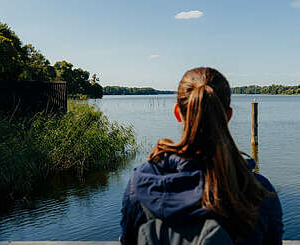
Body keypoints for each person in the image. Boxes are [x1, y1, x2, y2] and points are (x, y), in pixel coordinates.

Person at [119, 67, 283, 245]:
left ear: (177, 113)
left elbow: (130, 239)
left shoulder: (142, 184)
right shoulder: (258, 191)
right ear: (228, 116)